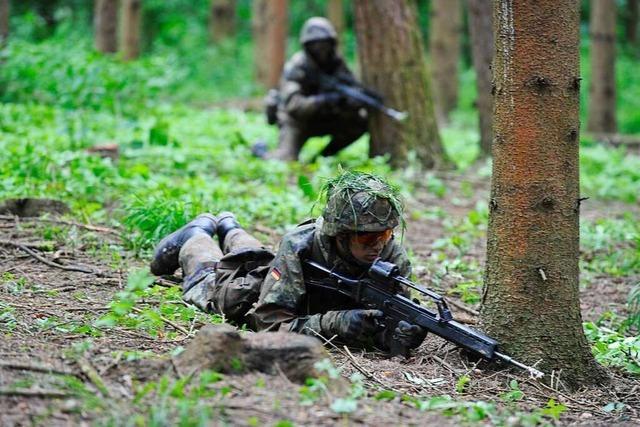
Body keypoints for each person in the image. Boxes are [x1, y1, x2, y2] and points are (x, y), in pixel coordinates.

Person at [149, 172, 426, 351]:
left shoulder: (391, 256)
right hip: (255, 294)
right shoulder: (300, 246)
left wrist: (398, 334)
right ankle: (196, 235)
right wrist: (333, 323)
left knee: (260, 259)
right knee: (220, 289)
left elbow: (389, 319)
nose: (379, 244)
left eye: (386, 234)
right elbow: (269, 323)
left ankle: (228, 225)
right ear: (340, 235)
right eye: (367, 239)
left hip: (284, 278)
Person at [258, 17, 369, 161]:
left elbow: (352, 88)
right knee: (284, 160)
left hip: (325, 119)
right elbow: (293, 105)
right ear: (307, 46)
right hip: (297, 122)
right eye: (316, 45)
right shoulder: (297, 66)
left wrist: (348, 101)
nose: (321, 49)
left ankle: (322, 158)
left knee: (360, 121)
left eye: (325, 44)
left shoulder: (337, 64)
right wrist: (324, 100)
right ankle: (261, 152)